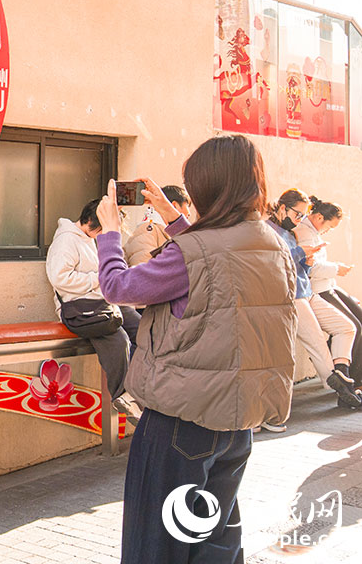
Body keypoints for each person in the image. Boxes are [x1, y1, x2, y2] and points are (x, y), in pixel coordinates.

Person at [94, 135, 296, 563]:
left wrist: (109, 234)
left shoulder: (192, 252)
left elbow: (118, 287)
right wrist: (175, 220)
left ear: (208, 187)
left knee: (157, 544)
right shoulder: (274, 243)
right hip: (238, 422)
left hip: (181, 422)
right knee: (215, 540)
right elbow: (216, 264)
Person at [45, 199, 142, 422]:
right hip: (80, 308)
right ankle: (123, 395)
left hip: (101, 302)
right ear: (89, 220)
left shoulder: (90, 239)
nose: (103, 234)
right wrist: (98, 278)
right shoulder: (66, 239)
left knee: (142, 329)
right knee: (119, 340)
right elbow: (60, 278)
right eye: (101, 228)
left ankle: (139, 387)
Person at [268, 190, 360, 414]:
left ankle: (343, 377)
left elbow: (301, 270)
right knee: (317, 344)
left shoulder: (290, 232)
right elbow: (273, 263)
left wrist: (307, 262)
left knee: (347, 327)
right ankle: (345, 391)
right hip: (291, 297)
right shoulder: (269, 231)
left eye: (303, 215)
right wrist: (301, 253)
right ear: (283, 208)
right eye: (298, 214)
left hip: (307, 292)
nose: (300, 220)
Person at [295, 196, 362, 395]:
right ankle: (351, 381)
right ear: (319, 218)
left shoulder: (313, 232)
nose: (328, 231)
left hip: (328, 286)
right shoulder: (304, 233)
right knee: (354, 327)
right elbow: (312, 269)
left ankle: (346, 372)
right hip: (318, 290)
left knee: (358, 318)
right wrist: (337, 269)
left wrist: (345, 293)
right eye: (329, 227)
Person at [123, 185, 192, 266]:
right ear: (174, 206)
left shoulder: (157, 230)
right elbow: (144, 270)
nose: (189, 214)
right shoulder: (148, 231)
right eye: (187, 206)